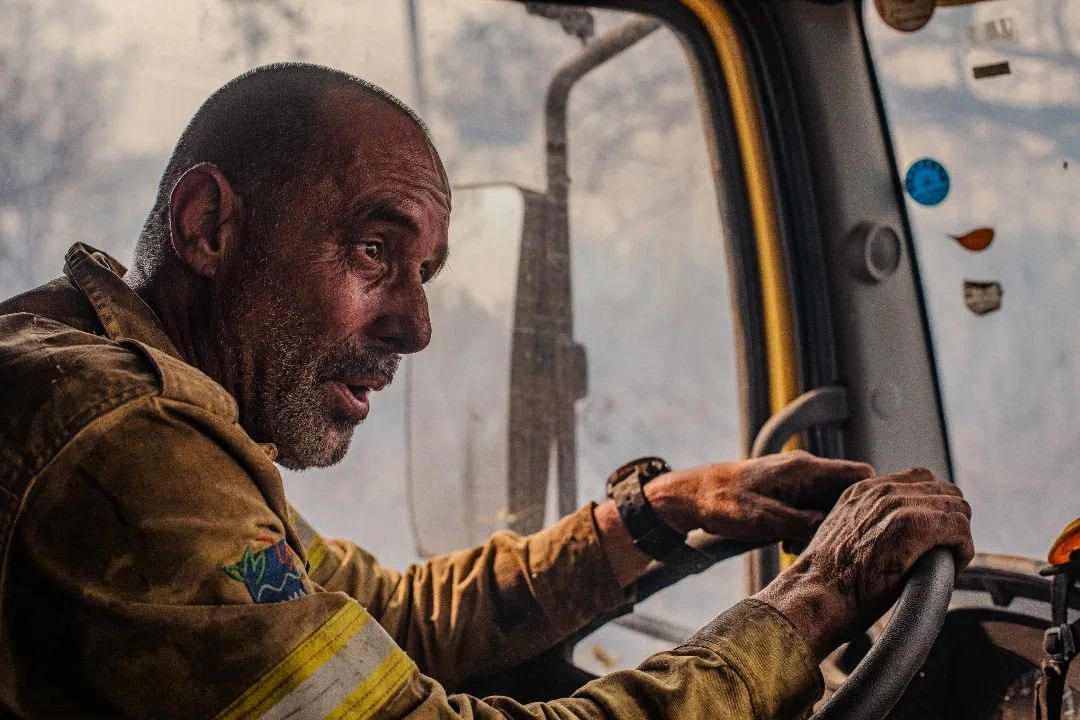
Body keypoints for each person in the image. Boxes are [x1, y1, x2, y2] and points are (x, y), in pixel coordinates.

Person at [0, 63, 973, 719]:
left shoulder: (111, 375)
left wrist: (659, 512)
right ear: (209, 225)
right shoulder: (126, 446)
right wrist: (814, 600)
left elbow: (387, 617)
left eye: (426, 275)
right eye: (375, 250)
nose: (416, 326)